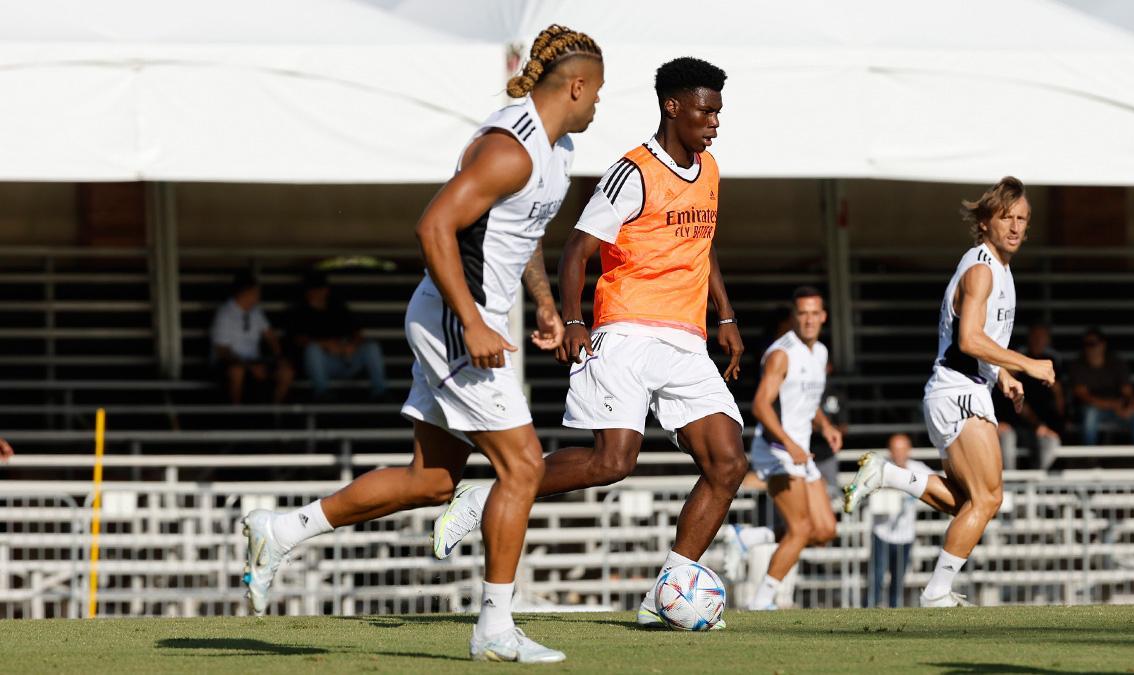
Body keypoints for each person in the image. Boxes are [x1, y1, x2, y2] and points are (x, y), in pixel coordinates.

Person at [239, 25, 603, 663]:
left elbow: (527, 228)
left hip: (461, 320)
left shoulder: (557, 146)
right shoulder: (508, 148)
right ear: (575, 86)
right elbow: (433, 224)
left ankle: (282, 529)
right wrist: (476, 320)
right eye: (597, 91)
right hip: (455, 323)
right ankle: (494, 629)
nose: (599, 103)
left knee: (434, 481)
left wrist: (545, 305)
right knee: (523, 467)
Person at [429, 57, 747, 629]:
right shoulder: (632, 171)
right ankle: (483, 500)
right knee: (612, 462)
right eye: (706, 110)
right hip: (625, 329)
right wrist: (572, 320)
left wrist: (725, 314)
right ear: (673, 106)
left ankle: (669, 590)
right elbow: (578, 248)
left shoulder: (712, 169)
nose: (714, 122)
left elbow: (705, 244)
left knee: (728, 462)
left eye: (718, 112)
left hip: (685, 338)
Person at [844, 177, 1056, 607]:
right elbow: (968, 340)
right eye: (1006, 217)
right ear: (985, 222)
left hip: (960, 389)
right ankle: (936, 593)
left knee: (967, 501)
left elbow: (977, 343)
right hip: (957, 391)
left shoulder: (999, 268)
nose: (1015, 227)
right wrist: (1026, 363)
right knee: (988, 497)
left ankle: (889, 475)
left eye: (1023, 219)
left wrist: (1001, 376)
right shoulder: (981, 269)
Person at [722, 286, 843, 611]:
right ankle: (762, 602)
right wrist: (789, 443)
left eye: (814, 313)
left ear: (823, 317)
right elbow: (761, 406)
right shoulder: (781, 353)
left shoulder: (820, 353)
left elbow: (807, 401)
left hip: (800, 451)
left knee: (824, 530)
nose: (808, 320)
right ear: (794, 317)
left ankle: (747, 538)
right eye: (802, 313)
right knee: (801, 529)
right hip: (775, 450)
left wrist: (825, 426)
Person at [287, 270, 389, 401]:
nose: (317, 292)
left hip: (347, 359)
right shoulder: (299, 311)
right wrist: (326, 345)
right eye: (313, 289)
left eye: (319, 288)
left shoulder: (338, 308)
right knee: (312, 350)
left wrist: (351, 346)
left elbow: (358, 334)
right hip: (322, 364)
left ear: (326, 290)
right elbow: (297, 339)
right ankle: (322, 393)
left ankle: (380, 392)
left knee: (372, 347)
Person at [867, 434, 933, 608]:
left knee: (898, 579)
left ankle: (894, 614)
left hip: (905, 535)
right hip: (882, 532)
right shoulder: (881, 467)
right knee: (877, 577)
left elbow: (936, 483)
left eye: (902, 449)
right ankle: (869, 613)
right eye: (895, 450)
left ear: (908, 450)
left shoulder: (918, 468)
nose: (899, 454)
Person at [210, 270, 294, 405]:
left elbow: (271, 337)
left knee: (286, 371)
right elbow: (223, 351)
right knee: (236, 371)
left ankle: (274, 413)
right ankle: (236, 415)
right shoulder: (224, 313)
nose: (258, 296)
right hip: (231, 363)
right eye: (256, 292)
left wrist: (279, 358)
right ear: (245, 292)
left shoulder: (256, 312)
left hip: (254, 361)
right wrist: (250, 367)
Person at [995, 323, 1066, 469]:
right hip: (1014, 422)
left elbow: (1060, 404)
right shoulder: (1018, 358)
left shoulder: (1052, 361)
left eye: (1042, 336)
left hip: (1040, 425)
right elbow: (1014, 398)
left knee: (1051, 441)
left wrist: (1044, 426)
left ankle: (1033, 484)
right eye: (1035, 336)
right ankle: (1011, 486)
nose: (1038, 340)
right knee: (1007, 436)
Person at [1069, 327, 1134, 446]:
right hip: (1093, 410)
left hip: (1117, 410)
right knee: (1090, 413)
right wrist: (1114, 404)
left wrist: (1129, 406)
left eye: (1092, 344)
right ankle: (1090, 459)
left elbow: (1128, 392)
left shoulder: (1117, 363)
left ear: (1103, 345)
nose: (1089, 348)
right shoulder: (1078, 366)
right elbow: (1085, 397)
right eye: (1085, 344)